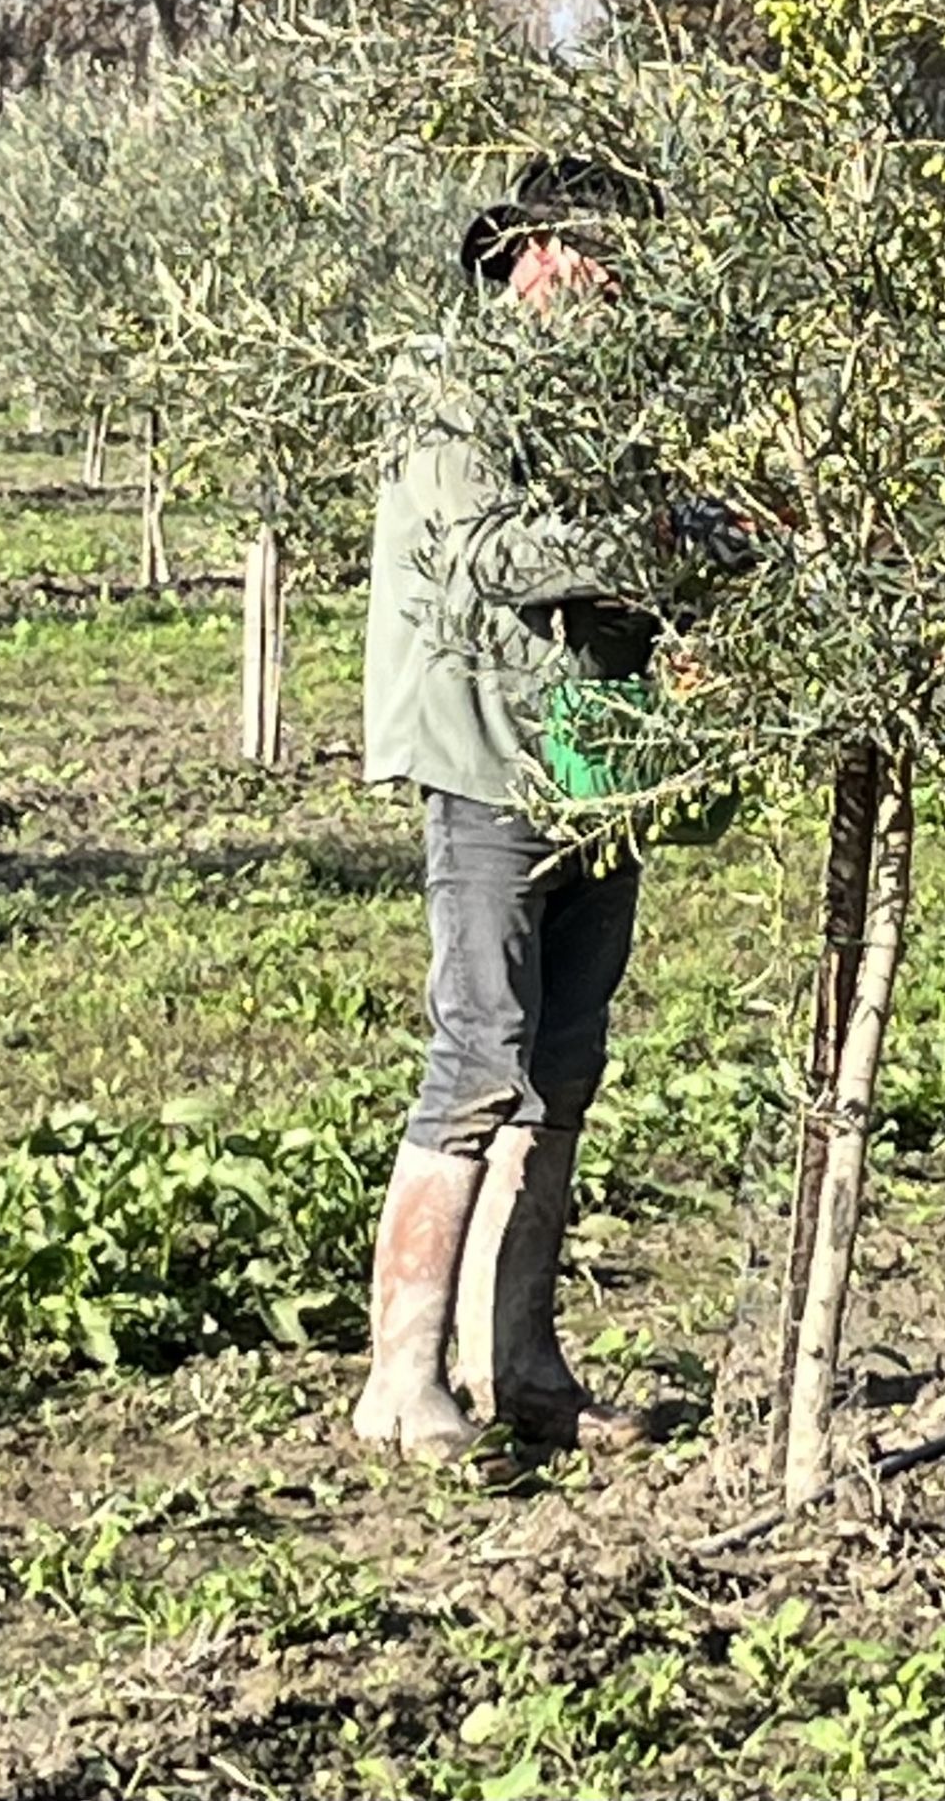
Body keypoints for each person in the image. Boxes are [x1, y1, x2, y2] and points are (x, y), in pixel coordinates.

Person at [353, 155, 667, 1465]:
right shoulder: (454, 384)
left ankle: (521, 1369)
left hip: (598, 763)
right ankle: (399, 1383)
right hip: (488, 761)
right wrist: (656, 541)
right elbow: (484, 554)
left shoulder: (619, 394)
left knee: (566, 1063)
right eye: (603, 254)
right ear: (538, 250)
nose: (621, 282)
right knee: (480, 1057)